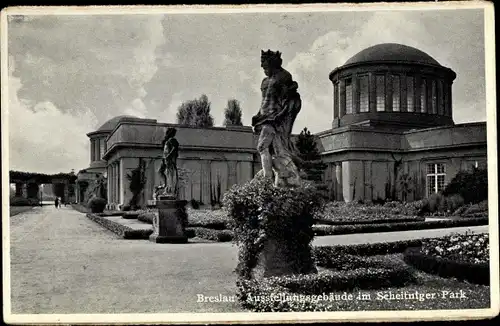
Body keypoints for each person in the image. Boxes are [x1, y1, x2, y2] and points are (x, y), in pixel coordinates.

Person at [251, 49, 302, 187]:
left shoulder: (283, 76)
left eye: (265, 64)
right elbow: (265, 101)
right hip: (264, 118)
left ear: (273, 63)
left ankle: (267, 176)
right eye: (262, 65)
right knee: (276, 151)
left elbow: (289, 99)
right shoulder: (265, 81)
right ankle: (277, 176)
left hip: (275, 119)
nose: (263, 67)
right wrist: (258, 114)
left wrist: (281, 116)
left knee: (262, 146)